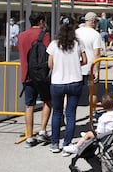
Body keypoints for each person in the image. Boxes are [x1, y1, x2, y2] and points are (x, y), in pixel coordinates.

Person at [47, 16, 87, 155]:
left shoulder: (54, 44)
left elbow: (50, 64)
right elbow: (85, 60)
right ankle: (67, 144)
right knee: (70, 114)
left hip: (58, 81)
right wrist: (76, 64)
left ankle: (54, 143)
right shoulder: (77, 43)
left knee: (57, 113)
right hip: (75, 80)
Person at [18, 12, 52, 147]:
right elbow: (49, 52)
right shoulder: (45, 35)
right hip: (40, 74)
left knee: (29, 105)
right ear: (41, 21)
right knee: (48, 101)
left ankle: (29, 136)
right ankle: (43, 130)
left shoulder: (22, 36)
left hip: (26, 74)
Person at [75, 12, 102, 106]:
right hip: (90, 68)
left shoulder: (76, 32)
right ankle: (92, 112)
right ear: (94, 22)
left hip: (77, 67)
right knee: (92, 92)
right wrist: (96, 70)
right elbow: (97, 53)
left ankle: (65, 111)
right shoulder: (96, 35)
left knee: (71, 94)